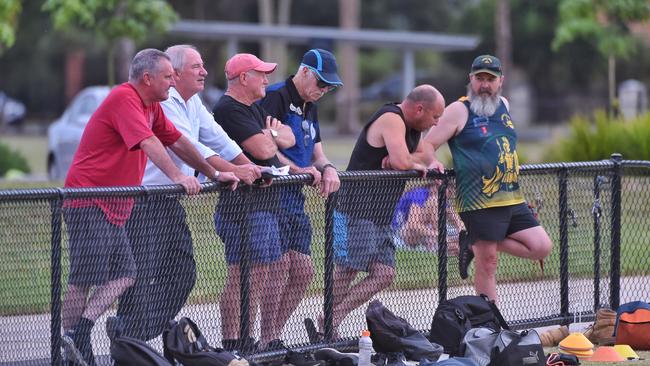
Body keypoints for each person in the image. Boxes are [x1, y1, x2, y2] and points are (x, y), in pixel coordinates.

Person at [60, 48, 239, 365]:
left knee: (125, 274)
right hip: (89, 198)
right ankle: (67, 347)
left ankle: (80, 330)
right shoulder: (125, 98)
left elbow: (178, 142)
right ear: (148, 78)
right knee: (84, 279)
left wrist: (212, 172)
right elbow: (148, 142)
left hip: (115, 204)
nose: (173, 82)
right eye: (168, 76)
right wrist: (177, 176)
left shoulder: (152, 107)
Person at [117, 45, 262, 341]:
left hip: (170, 201)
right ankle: (128, 342)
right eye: (196, 66)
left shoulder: (193, 102)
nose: (205, 71)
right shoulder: (165, 102)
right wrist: (227, 172)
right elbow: (192, 147)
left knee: (183, 273)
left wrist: (255, 169)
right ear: (176, 73)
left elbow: (220, 140)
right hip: (144, 201)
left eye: (203, 65)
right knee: (141, 277)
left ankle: (133, 335)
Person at [317, 84, 445, 338]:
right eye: (435, 117)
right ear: (419, 109)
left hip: (382, 211)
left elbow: (423, 155)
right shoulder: (391, 118)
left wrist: (413, 159)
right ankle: (328, 325)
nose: (436, 123)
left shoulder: (413, 128)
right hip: (357, 207)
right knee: (348, 268)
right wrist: (407, 160)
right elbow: (401, 162)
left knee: (384, 273)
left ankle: (332, 318)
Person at [422, 54, 553, 301]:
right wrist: (433, 162)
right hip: (479, 201)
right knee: (488, 262)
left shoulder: (504, 104)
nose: (484, 84)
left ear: (500, 81)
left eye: (490, 79)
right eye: (479, 78)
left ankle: (471, 242)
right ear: (471, 79)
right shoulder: (458, 110)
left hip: (512, 197)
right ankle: (489, 326)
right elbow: (427, 145)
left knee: (541, 246)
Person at [258, 48, 342, 348]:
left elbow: (317, 152)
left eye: (329, 87)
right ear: (305, 71)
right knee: (280, 267)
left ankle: (272, 337)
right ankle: (267, 338)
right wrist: (296, 169)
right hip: (274, 195)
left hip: (296, 197)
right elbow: (264, 144)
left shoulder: (310, 105)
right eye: (321, 83)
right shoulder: (276, 96)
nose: (323, 90)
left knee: (304, 271)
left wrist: (329, 168)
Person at [212, 53, 296, 353]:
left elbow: (290, 138)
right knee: (243, 273)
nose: (266, 80)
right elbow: (263, 148)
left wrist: (271, 134)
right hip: (241, 209)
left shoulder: (255, 111)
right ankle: (233, 341)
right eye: (261, 74)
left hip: (265, 206)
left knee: (266, 270)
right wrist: (273, 135)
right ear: (243, 77)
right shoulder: (228, 109)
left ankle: (250, 339)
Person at [392, 182, 464, 255]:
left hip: (426, 233)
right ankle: (440, 243)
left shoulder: (440, 197)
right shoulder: (420, 194)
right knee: (434, 201)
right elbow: (413, 225)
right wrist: (439, 235)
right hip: (402, 232)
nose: (446, 198)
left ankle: (441, 244)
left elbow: (455, 218)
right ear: (435, 186)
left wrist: (461, 233)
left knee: (456, 244)